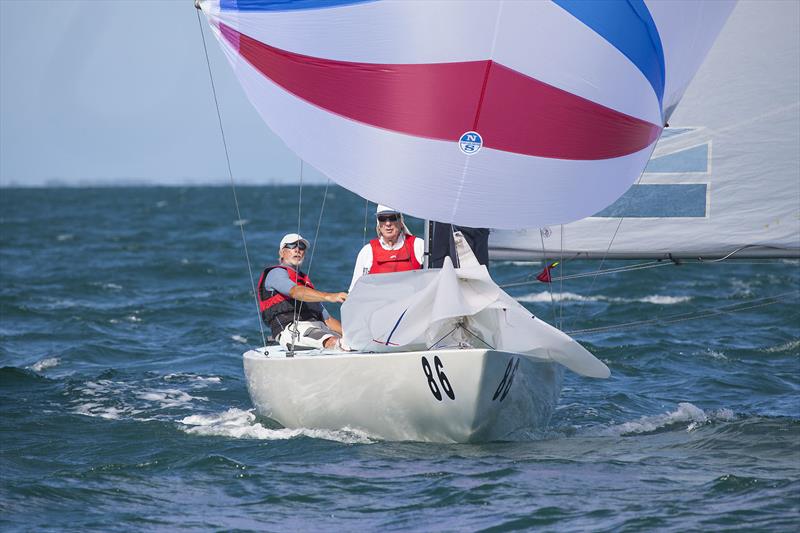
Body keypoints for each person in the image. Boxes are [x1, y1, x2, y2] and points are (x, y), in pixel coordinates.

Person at [257, 233, 348, 350]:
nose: (297, 250)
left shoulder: (305, 285)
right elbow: (294, 292)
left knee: (351, 341)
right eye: (292, 246)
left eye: (301, 247)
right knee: (336, 343)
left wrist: (351, 335)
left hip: (318, 328)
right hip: (293, 330)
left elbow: (328, 320)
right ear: (281, 252)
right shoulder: (276, 273)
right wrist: (329, 297)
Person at [350, 205, 424, 291]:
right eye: (382, 218)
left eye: (392, 218)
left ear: (401, 221)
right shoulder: (367, 251)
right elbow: (354, 291)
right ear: (378, 223)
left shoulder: (419, 245)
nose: (388, 223)